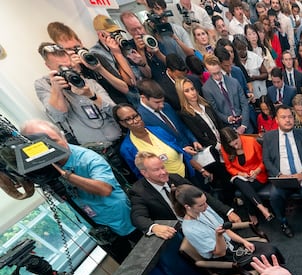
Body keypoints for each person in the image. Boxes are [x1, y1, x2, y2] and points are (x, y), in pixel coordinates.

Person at [20, 120, 141, 263]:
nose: (50, 147)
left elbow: (105, 189)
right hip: (98, 229)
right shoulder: (45, 168)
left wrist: (65, 175)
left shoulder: (88, 158)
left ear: (63, 136)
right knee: (128, 267)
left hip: (123, 221)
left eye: (53, 140)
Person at [128, 151, 240, 240]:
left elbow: (201, 194)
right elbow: (137, 217)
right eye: (156, 170)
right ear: (144, 173)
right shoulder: (139, 192)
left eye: (163, 167)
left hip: (201, 221)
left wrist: (227, 211)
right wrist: (154, 227)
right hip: (181, 234)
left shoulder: (175, 178)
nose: (163, 172)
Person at [33, 43, 122, 146]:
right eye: (62, 68)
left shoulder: (89, 82)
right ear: (48, 66)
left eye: (69, 66)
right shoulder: (45, 84)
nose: (68, 71)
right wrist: (57, 90)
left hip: (119, 140)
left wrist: (91, 95)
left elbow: (115, 112)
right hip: (93, 149)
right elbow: (58, 116)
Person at [261, 105, 302, 238]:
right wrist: (279, 175)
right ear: (276, 120)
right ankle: (283, 223)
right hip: (282, 178)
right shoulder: (269, 137)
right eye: (283, 117)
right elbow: (267, 161)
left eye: (290, 117)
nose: (288, 120)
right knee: (275, 196)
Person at [114, 103, 207, 183]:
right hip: (169, 184)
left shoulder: (158, 130)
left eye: (135, 116)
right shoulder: (127, 148)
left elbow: (181, 151)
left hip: (188, 173)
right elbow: (141, 174)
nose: (135, 121)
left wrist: (201, 169)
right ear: (123, 123)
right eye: (128, 119)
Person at [219, 127, 274, 222]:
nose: (235, 147)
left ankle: (252, 212)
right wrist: (240, 173)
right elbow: (229, 167)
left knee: (244, 190)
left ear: (238, 135)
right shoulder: (225, 149)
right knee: (239, 181)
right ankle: (262, 208)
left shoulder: (251, 141)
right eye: (232, 145)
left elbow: (264, 161)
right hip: (241, 177)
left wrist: (257, 171)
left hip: (258, 176)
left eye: (236, 143)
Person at [202, 55, 253, 134]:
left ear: (220, 67)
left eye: (218, 72)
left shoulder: (234, 82)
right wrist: (227, 119)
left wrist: (244, 125)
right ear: (208, 71)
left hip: (245, 124)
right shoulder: (207, 89)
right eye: (214, 74)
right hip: (228, 129)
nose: (218, 76)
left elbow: (244, 103)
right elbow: (214, 110)